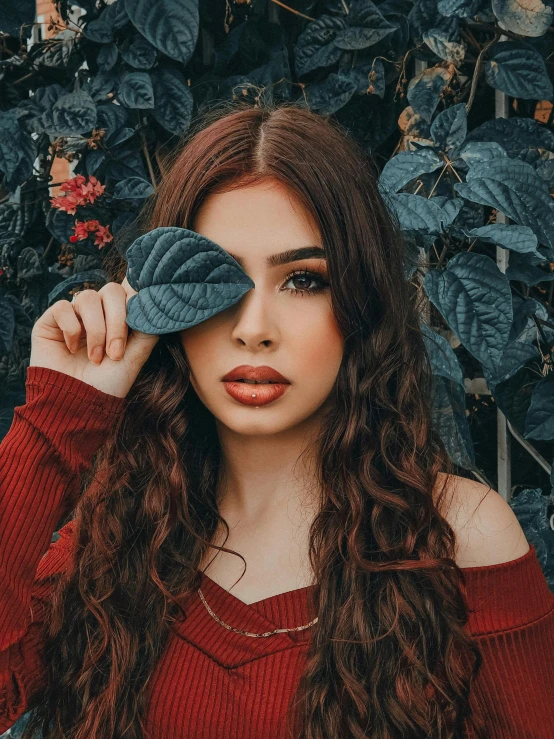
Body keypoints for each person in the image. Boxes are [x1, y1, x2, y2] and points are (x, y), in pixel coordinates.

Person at [0, 101, 552, 739]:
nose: (254, 330)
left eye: (303, 281)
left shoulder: (458, 537)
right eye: (220, 279)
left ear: (359, 303)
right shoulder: (116, 536)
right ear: (162, 304)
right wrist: (57, 417)